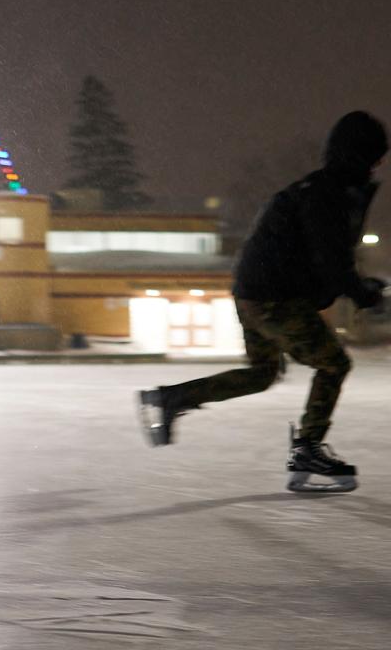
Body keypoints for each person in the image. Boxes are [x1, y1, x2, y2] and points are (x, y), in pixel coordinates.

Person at [138, 111, 387, 493]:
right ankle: (307, 449)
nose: (377, 168)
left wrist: (354, 286)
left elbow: (320, 259)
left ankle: (173, 397)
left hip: (252, 294)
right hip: (275, 298)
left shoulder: (315, 189)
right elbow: (330, 261)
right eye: (375, 159)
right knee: (334, 364)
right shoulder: (327, 196)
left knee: (262, 374)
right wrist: (363, 292)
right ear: (358, 157)